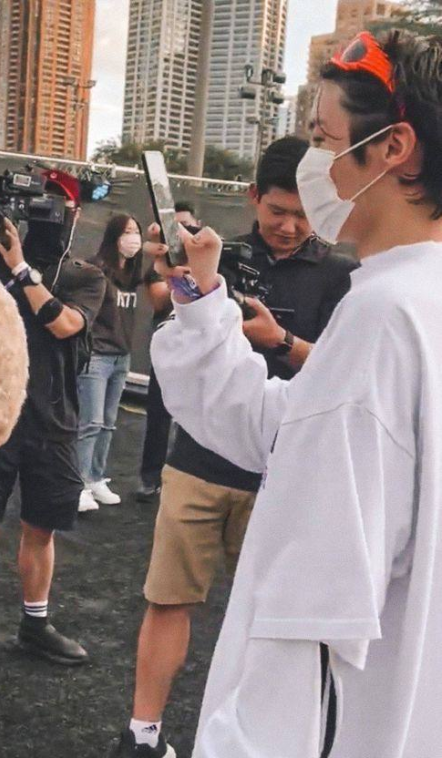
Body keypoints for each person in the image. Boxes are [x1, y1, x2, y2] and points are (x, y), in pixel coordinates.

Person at [152, 29, 442, 758]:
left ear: (394, 148)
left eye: (322, 138)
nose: (314, 163)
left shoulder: (385, 316)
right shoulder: (414, 299)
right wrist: (202, 298)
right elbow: (280, 428)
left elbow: (315, 612)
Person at [110, 137, 357, 757]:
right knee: (168, 600)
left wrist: (281, 343)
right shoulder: (218, 256)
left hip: (284, 472)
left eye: (303, 214)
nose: (290, 226)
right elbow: (169, 319)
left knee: (272, 622)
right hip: (197, 461)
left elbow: (349, 376)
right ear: (253, 198)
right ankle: (143, 735)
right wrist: (181, 284)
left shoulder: (342, 276)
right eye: (278, 211)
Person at [0, 174, 106, 664]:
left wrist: (21, 268)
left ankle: (35, 625)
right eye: (41, 203)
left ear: (75, 214)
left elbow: (63, 325)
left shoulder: (85, 275)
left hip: (52, 418)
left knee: (41, 527)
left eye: (58, 205)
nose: (48, 214)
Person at [77, 213, 143, 512]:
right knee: (90, 422)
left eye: (136, 232)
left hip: (121, 356)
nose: (133, 238)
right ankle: (78, 483)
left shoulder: (133, 274)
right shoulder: (97, 270)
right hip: (98, 355)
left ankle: (95, 477)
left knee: (107, 423)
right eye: (127, 232)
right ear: (114, 236)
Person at [136, 201, 199, 503]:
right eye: (176, 227)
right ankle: (151, 479)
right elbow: (160, 299)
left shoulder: (208, 261)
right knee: (159, 419)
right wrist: (176, 275)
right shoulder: (159, 266)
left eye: (188, 226)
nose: (182, 232)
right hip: (168, 353)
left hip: (198, 353)